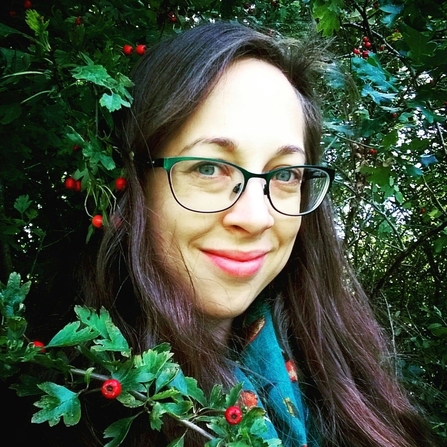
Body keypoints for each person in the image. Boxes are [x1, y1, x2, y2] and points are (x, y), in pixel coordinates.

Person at [81, 21, 437, 446]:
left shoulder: (342, 378)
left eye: (285, 174)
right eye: (208, 167)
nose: (256, 217)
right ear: (132, 183)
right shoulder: (64, 392)